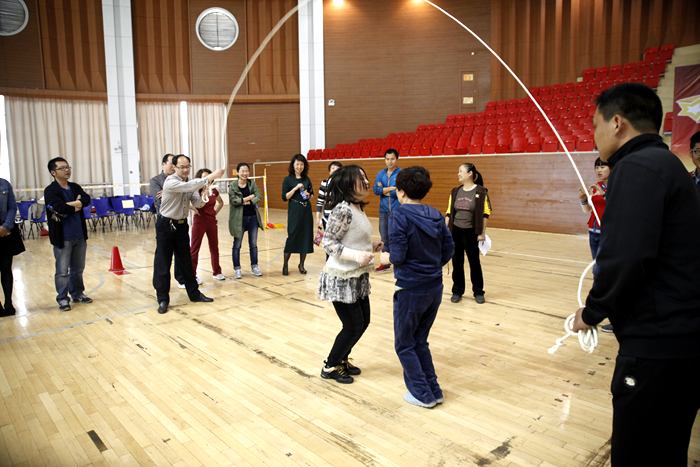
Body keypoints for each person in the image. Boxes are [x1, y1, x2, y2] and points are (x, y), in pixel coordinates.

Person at [571, 83, 700, 466]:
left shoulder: (636, 167)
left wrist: (591, 312)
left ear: (617, 123)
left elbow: (625, 258)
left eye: (595, 125)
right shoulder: (667, 165)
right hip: (681, 341)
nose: (593, 135)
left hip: (658, 348)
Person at [379, 167, 454, 408]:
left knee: (404, 344)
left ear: (400, 192)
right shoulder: (435, 214)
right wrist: (431, 266)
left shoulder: (398, 216)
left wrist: (386, 257)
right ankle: (434, 390)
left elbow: (398, 256)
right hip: (435, 288)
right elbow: (448, 249)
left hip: (411, 289)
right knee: (419, 341)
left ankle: (422, 393)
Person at [318, 165, 383, 384]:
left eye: (366, 177)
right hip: (341, 278)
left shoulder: (357, 208)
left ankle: (342, 359)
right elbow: (328, 243)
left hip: (356, 276)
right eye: (361, 178)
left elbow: (350, 239)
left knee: (363, 322)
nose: (366, 182)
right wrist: (357, 255)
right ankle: (330, 366)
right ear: (347, 184)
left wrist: (370, 247)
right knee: (353, 326)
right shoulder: (343, 210)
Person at [153, 155, 224, 314]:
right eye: (182, 167)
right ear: (174, 168)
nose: (185, 170)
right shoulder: (171, 182)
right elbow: (188, 187)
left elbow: (198, 203)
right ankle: (163, 299)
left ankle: (194, 294)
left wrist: (205, 193)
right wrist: (209, 178)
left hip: (181, 226)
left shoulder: (189, 183)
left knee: (186, 261)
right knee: (164, 263)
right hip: (166, 225)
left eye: (187, 167)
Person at [44, 157, 93, 312]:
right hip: (63, 237)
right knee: (62, 271)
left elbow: (86, 200)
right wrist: (77, 205)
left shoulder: (74, 187)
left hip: (79, 235)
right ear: (53, 172)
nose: (67, 170)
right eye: (62, 168)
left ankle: (77, 294)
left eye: (68, 167)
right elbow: (59, 208)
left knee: (78, 268)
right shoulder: (50, 190)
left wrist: (72, 205)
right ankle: (63, 299)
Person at [445, 163, 491, 304]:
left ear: (470, 173)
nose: (458, 174)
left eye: (461, 171)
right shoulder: (455, 191)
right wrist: (445, 231)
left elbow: (486, 213)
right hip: (456, 231)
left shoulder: (481, 192)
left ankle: (478, 291)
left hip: (471, 232)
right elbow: (449, 212)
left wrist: (482, 233)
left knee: (474, 262)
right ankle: (457, 290)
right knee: (457, 262)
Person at [579, 157, 613, 333]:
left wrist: (605, 195)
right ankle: (599, 304)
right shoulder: (596, 186)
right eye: (597, 167)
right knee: (598, 271)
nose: (599, 170)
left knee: (599, 271)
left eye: (603, 166)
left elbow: (618, 207)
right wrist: (585, 199)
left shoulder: (617, 187)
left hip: (608, 234)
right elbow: (588, 210)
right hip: (594, 233)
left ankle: (596, 306)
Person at [150, 153, 185, 287]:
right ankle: (159, 285)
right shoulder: (156, 181)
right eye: (171, 163)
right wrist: (173, 192)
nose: (173, 167)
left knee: (181, 254)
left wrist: (169, 192)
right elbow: (160, 199)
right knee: (162, 255)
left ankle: (181, 279)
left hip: (179, 221)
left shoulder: (181, 179)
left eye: (175, 164)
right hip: (164, 222)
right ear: (163, 164)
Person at [228, 163, 264, 279]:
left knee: (253, 244)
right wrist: (249, 197)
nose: (245, 173)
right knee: (237, 245)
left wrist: (247, 201)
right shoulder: (232, 185)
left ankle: (254, 267)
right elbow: (233, 201)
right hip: (239, 219)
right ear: (238, 172)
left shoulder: (252, 183)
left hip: (252, 217)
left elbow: (258, 196)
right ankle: (237, 269)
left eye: (247, 171)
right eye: (242, 171)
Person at [189, 168, 225, 284]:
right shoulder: (195, 190)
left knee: (214, 247)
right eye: (204, 177)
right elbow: (184, 200)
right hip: (199, 221)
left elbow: (221, 202)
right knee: (195, 248)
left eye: (209, 177)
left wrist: (214, 213)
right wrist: (192, 208)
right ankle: (192, 275)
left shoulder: (214, 190)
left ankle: (217, 272)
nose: (207, 179)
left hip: (211, 221)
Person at [282, 154, 314, 275]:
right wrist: (295, 188)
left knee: (306, 237)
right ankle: (285, 264)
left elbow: (312, 195)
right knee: (292, 236)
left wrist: (308, 194)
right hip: (294, 210)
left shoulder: (307, 179)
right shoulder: (287, 180)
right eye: (297, 164)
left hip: (306, 210)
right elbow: (285, 197)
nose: (299, 166)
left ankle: (301, 265)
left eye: (301, 164)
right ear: (293, 165)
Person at [373, 149, 401, 272]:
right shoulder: (381, 173)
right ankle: (385, 263)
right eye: (387, 159)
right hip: (383, 211)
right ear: (385, 160)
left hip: (397, 211)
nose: (390, 161)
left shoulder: (401, 173)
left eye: (392, 159)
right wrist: (391, 189)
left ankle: (399, 262)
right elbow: (376, 190)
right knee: (384, 237)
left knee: (398, 237)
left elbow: (400, 191)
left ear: (397, 160)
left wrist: (384, 190)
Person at [0, 178, 25, 317]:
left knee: (6, 268)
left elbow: (12, 207)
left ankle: (8, 303)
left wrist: (6, 226)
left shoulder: (4, 184)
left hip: (6, 229)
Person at [316, 161, 343, 230]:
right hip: (327, 218)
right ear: (329, 172)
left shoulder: (345, 183)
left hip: (342, 218)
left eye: (338, 168)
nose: (335, 170)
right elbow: (320, 200)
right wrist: (317, 217)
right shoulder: (324, 183)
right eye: (333, 168)